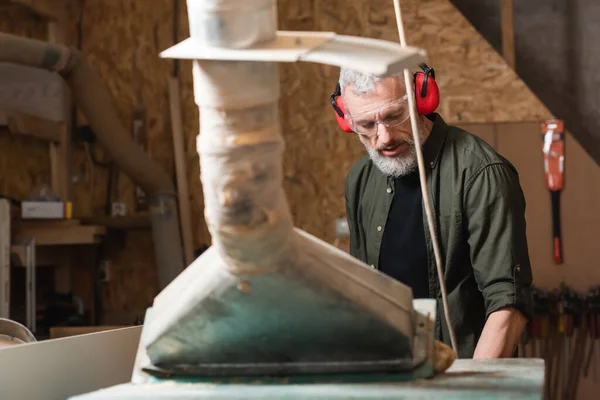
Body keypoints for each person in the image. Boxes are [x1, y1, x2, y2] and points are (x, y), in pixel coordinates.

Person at [338, 67, 534, 359]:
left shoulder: (481, 173)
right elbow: (363, 294)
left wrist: (470, 390)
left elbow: (509, 305)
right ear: (346, 120)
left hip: (464, 375)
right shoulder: (360, 180)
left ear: (422, 99)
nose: (384, 138)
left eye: (394, 116)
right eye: (366, 125)